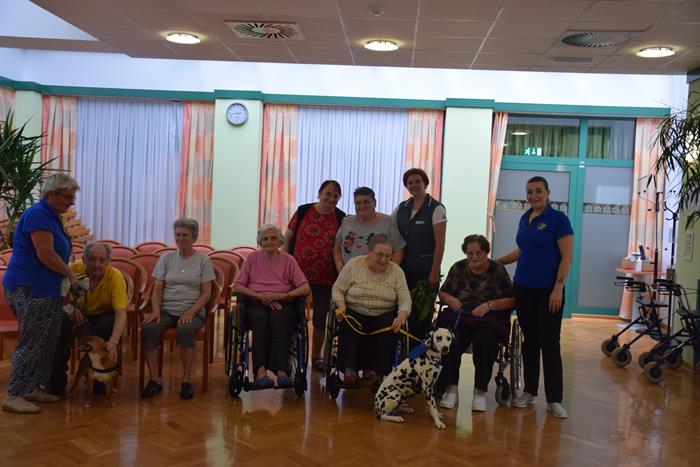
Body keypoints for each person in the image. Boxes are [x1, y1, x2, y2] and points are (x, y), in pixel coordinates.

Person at [2, 173, 81, 414]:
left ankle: (31, 387)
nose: (71, 202)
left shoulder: (52, 215)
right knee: (33, 341)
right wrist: (70, 274)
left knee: (47, 340)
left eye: (73, 198)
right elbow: (45, 254)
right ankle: (14, 395)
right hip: (31, 287)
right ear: (51, 194)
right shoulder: (38, 214)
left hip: (46, 288)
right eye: (68, 197)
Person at [495, 176, 573, 419]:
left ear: (548, 193)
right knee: (530, 341)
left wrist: (558, 288)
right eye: (529, 192)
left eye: (538, 191)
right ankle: (529, 392)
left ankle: (554, 399)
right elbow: (523, 250)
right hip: (523, 288)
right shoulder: (525, 218)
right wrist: (497, 262)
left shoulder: (558, 219)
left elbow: (566, 257)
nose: (534, 196)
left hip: (548, 291)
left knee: (550, 343)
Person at [436, 235, 514, 412]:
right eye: (470, 253)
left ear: (486, 252)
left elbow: (511, 300)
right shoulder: (458, 268)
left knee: (485, 341)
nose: (474, 257)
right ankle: (451, 389)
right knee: (450, 340)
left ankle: (480, 392)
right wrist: (450, 299)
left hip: (489, 317)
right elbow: (442, 292)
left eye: (478, 252)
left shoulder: (497, 271)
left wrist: (489, 305)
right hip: (461, 315)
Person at [334, 187, 406, 380]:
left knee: (384, 325)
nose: (362, 206)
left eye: (366, 202)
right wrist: (341, 268)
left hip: (383, 294)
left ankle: (376, 371)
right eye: (358, 202)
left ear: (374, 202)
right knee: (351, 321)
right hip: (353, 277)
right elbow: (337, 247)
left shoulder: (387, 222)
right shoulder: (347, 222)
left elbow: (399, 248)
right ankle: (349, 369)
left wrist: (388, 267)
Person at [140, 218, 216, 400]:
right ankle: (154, 379)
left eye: (185, 235)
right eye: (178, 234)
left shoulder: (203, 260)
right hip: (166, 310)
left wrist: (191, 311)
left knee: (186, 330)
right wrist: (155, 310)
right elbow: (157, 288)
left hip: (193, 311)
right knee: (148, 330)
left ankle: (186, 380)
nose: (181, 238)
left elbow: (207, 293)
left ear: (194, 237)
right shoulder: (166, 259)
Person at [233, 224, 310, 389]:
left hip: (283, 302)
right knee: (260, 320)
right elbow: (237, 286)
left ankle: (282, 371)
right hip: (256, 302)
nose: (269, 242)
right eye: (265, 239)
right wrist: (261, 297)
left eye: (273, 238)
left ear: (280, 241)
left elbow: (305, 288)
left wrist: (283, 296)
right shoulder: (252, 258)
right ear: (259, 242)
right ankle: (260, 373)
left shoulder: (289, 260)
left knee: (279, 318)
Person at [48, 241, 128, 396]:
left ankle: (97, 379)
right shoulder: (73, 270)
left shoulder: (115, 277)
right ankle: (56, 381)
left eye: (102, 260)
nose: (97, 264)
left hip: (100, 315)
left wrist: (113, 341)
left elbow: (121, 313)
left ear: (108, 262)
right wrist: (70, 308)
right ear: (84, 260)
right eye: (92, 259)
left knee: (109, 322)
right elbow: (56, 297)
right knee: (61, 321)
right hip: (73, 313)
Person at [332, 234, 411, 387]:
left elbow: (405, 299)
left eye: (388, 256)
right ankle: (350, 371)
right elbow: (337, 289)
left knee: (390, 326)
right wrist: (341, 306)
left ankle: (380, 374)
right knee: (348, 322)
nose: (384, 259)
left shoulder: (396, 271)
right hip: (355, 310)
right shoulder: (354, 264)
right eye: (380, 254)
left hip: (383, 313)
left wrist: (402, 316)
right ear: (369, 252)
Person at [283, 180, 346, 373]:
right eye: (328, 193)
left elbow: (343, 246)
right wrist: (284, 266)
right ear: (319, 193)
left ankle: (316, 356)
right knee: (292, 315)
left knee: (321, 318)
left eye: (335, 196)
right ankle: (289, 354)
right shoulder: (303, 211)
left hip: (326, 278)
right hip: (297, 276)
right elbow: (287, 239)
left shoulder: (340, 217)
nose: (331, 198)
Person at [393, 168, 447, 345]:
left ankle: (418, 354)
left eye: (417, 181)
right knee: (402, 313)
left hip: (426, 272)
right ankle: (401, 354)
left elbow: (440, 245)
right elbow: (388, 229)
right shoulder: (402, 208)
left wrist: (433, 272)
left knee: (421, 317)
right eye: (410, 182)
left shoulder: (436, 208)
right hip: (403, 271)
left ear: (425, 183)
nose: (414, 185)